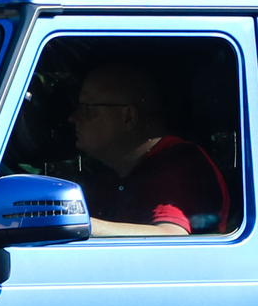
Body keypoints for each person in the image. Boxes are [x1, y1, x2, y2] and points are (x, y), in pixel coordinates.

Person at [68, 62, 230, 236]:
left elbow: (171, 236)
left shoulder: (181, 165)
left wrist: (77, 225)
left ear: (128, 117)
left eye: (88, 109)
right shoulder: (114, 175)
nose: (73, 117)